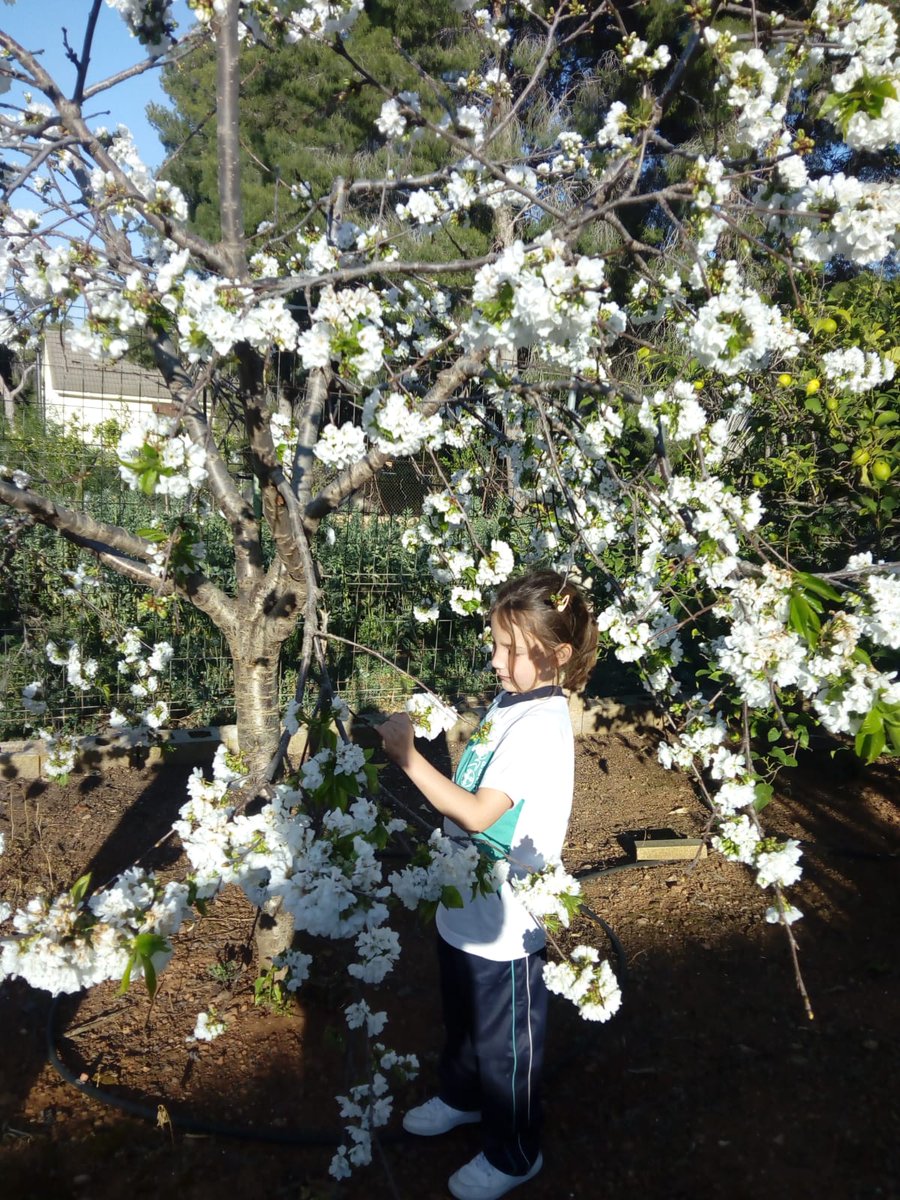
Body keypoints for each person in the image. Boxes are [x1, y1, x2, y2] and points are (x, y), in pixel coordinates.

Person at [378, 569, 598, 1200]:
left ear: (556, 655)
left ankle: (514, 1152)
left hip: (505, 921)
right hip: (466, 899)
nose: (496, 661)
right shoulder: (513, 703)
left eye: (511, 650)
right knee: (464, 1023)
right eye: (495, 643)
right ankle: (463, 1097)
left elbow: (478, 812)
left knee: (507, 1047)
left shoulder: (541, 726)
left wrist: (410, 759)